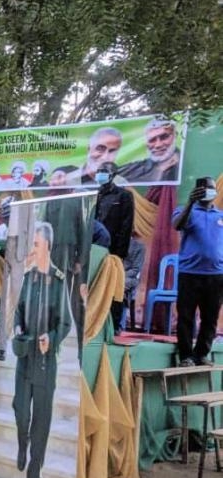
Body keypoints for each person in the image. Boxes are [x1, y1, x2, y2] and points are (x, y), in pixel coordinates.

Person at [13, 222, 72, 478]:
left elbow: (66, 322)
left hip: (46, 364)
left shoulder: (59, 281)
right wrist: (17, 326)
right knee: (21, 412)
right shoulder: (30, 278)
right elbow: (18, 312)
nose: (32, 249)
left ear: (46, 245)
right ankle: (21, 446)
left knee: (41, 424)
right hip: (26, 359)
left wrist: (53, 337)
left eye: (35, 244)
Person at [172, 177, 223, 366]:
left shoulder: (220, 216)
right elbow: (177, 225)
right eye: (202, 188)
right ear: (195, 191)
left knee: (210, 317)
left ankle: (201, 354)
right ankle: (185, 356)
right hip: (190, 273)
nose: (206, 191)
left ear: (215, 191)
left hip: (216, 276)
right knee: (186, 315)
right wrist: (190, 203)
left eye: (209, 188)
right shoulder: (185, 211)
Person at [94, 162, 134, 330]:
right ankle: (94, 322)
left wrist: (120, 254)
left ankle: (114, 325)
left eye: (104, 171)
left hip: (113, 250)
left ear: (113, 175)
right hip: (95, 248)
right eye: (99, 171)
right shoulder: (95, 194)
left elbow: (127, 226)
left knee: (113, 287)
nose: (100, 174)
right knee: (95, 285)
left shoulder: (124, 195)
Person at [119, 117, 180, 183]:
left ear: (175, 135)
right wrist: (159, 170)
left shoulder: (186, 163)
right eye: (152, 140)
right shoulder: (134, 168)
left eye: (164, 137)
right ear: (145, 142)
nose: (158, 145)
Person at [120, 236, 145, 332]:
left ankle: (119, 325)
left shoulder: (139, 247)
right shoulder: (114, 242)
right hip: (115, 274)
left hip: (130, 277)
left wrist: (120, 275)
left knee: (121, 285)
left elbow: (135, 270)